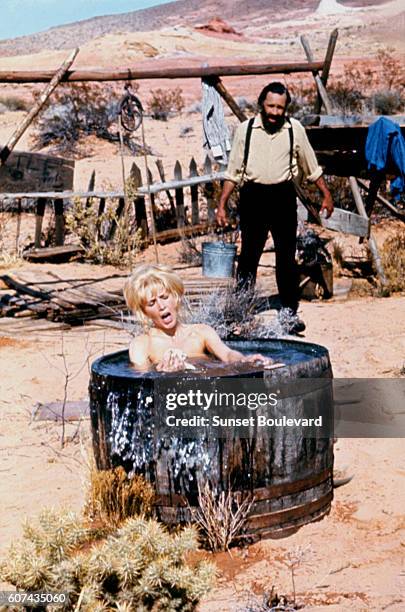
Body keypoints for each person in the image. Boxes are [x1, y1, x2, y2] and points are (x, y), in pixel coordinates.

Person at [216, 81, 334, 334]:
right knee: (248, 257)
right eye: (271, 106)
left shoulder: (294, 129)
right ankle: (241, 312)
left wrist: (326, 193)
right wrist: (222, 205)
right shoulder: (246, 130)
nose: (275, 113)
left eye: (280, 108)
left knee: (286, 258)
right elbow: (233, 171)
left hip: (282, 196)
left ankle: (289, 314)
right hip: (253, 197)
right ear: (261, 104)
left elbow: (312, 166)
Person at [124, 263, 276, 372]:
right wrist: (162, 373)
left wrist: (244, 360)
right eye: (152, 303)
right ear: (144, 312)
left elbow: (227, 354)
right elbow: (140, 381)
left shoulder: (201, 332)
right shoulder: (142, 344)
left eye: (164, 297)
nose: (161, 306)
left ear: (176, 297)